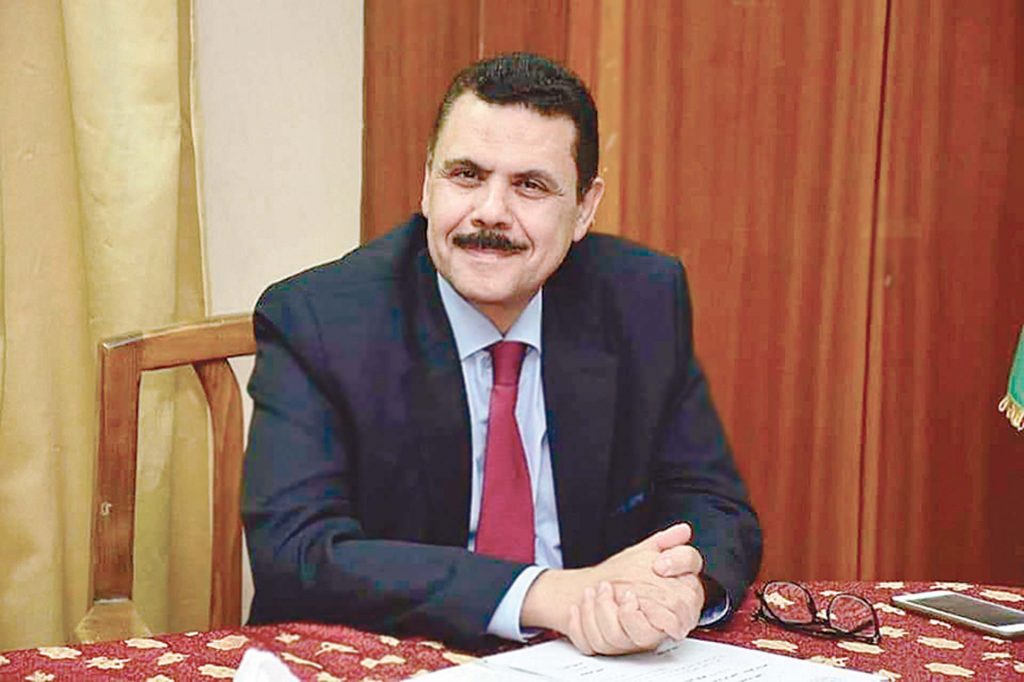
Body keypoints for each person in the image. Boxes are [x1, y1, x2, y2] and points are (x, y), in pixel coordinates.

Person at [242, 52, 761, 655]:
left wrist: (682, 585)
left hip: (584, 661)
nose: (490, 212)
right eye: (465, 175)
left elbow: (714, 504)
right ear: (427, 183)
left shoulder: (641, 298)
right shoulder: (318, 320)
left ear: (585, 208)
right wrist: (547, 593)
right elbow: (297, 553)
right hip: (390, 654)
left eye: (530, 186)